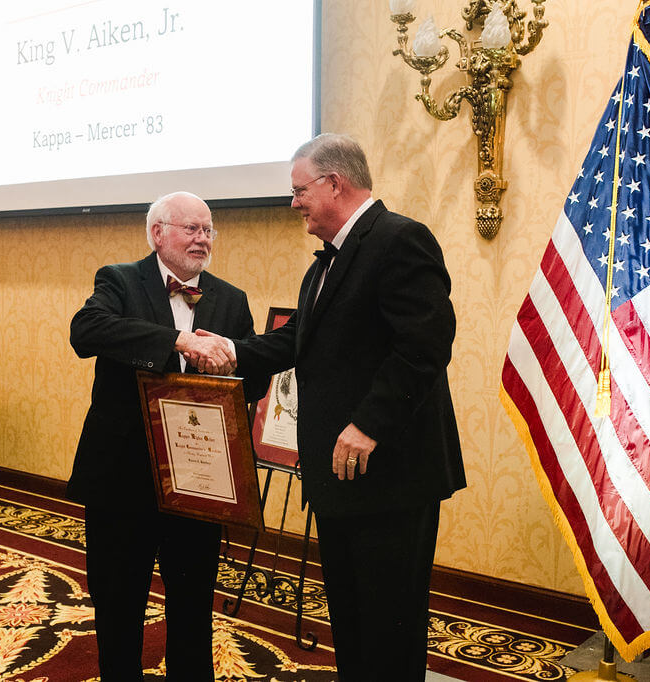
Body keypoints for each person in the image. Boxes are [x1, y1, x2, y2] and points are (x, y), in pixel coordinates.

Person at [194, 133, 465, 680]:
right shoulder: (324, 266)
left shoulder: (399, 239)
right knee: (351, 615)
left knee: (389, 621)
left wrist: (368, 424)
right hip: (340, 478)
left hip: (390, 473)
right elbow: (297, 340)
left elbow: (427, 345)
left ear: (334, 184)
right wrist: (227, 352)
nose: (293, 203)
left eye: (299, 191)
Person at [67, 191, 258, 681]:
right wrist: (176, 341)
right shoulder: (120, 281)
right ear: (157, 234)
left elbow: (248, 385)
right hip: (121, 477)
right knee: (118, 602)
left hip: (197, 482)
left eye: (208, 229)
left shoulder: (231, 299)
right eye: (190, 228)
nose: (202, 239)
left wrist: (232, 363)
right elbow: (85, 331)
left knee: (193, 604)